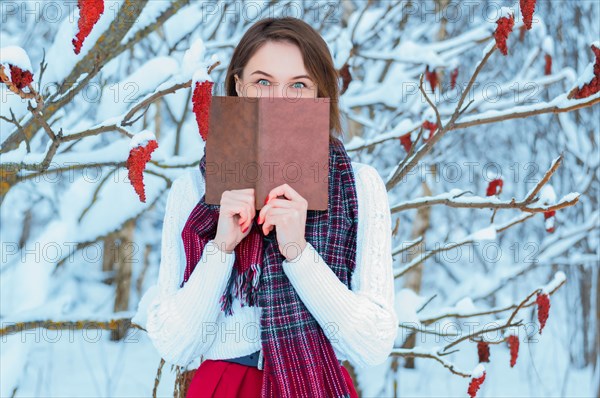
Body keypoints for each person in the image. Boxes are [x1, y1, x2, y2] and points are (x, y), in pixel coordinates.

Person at [145, 16, 398, 398]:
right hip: (222, 386)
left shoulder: (358, 186)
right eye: (263, 82)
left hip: (314, 382)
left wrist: (298, 253)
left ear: (319, 94)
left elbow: (373, 345)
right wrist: (222, 247)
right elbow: (174, 344)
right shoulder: (194, 188)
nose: (279, 98)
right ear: (239, 86)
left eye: (298, 85)